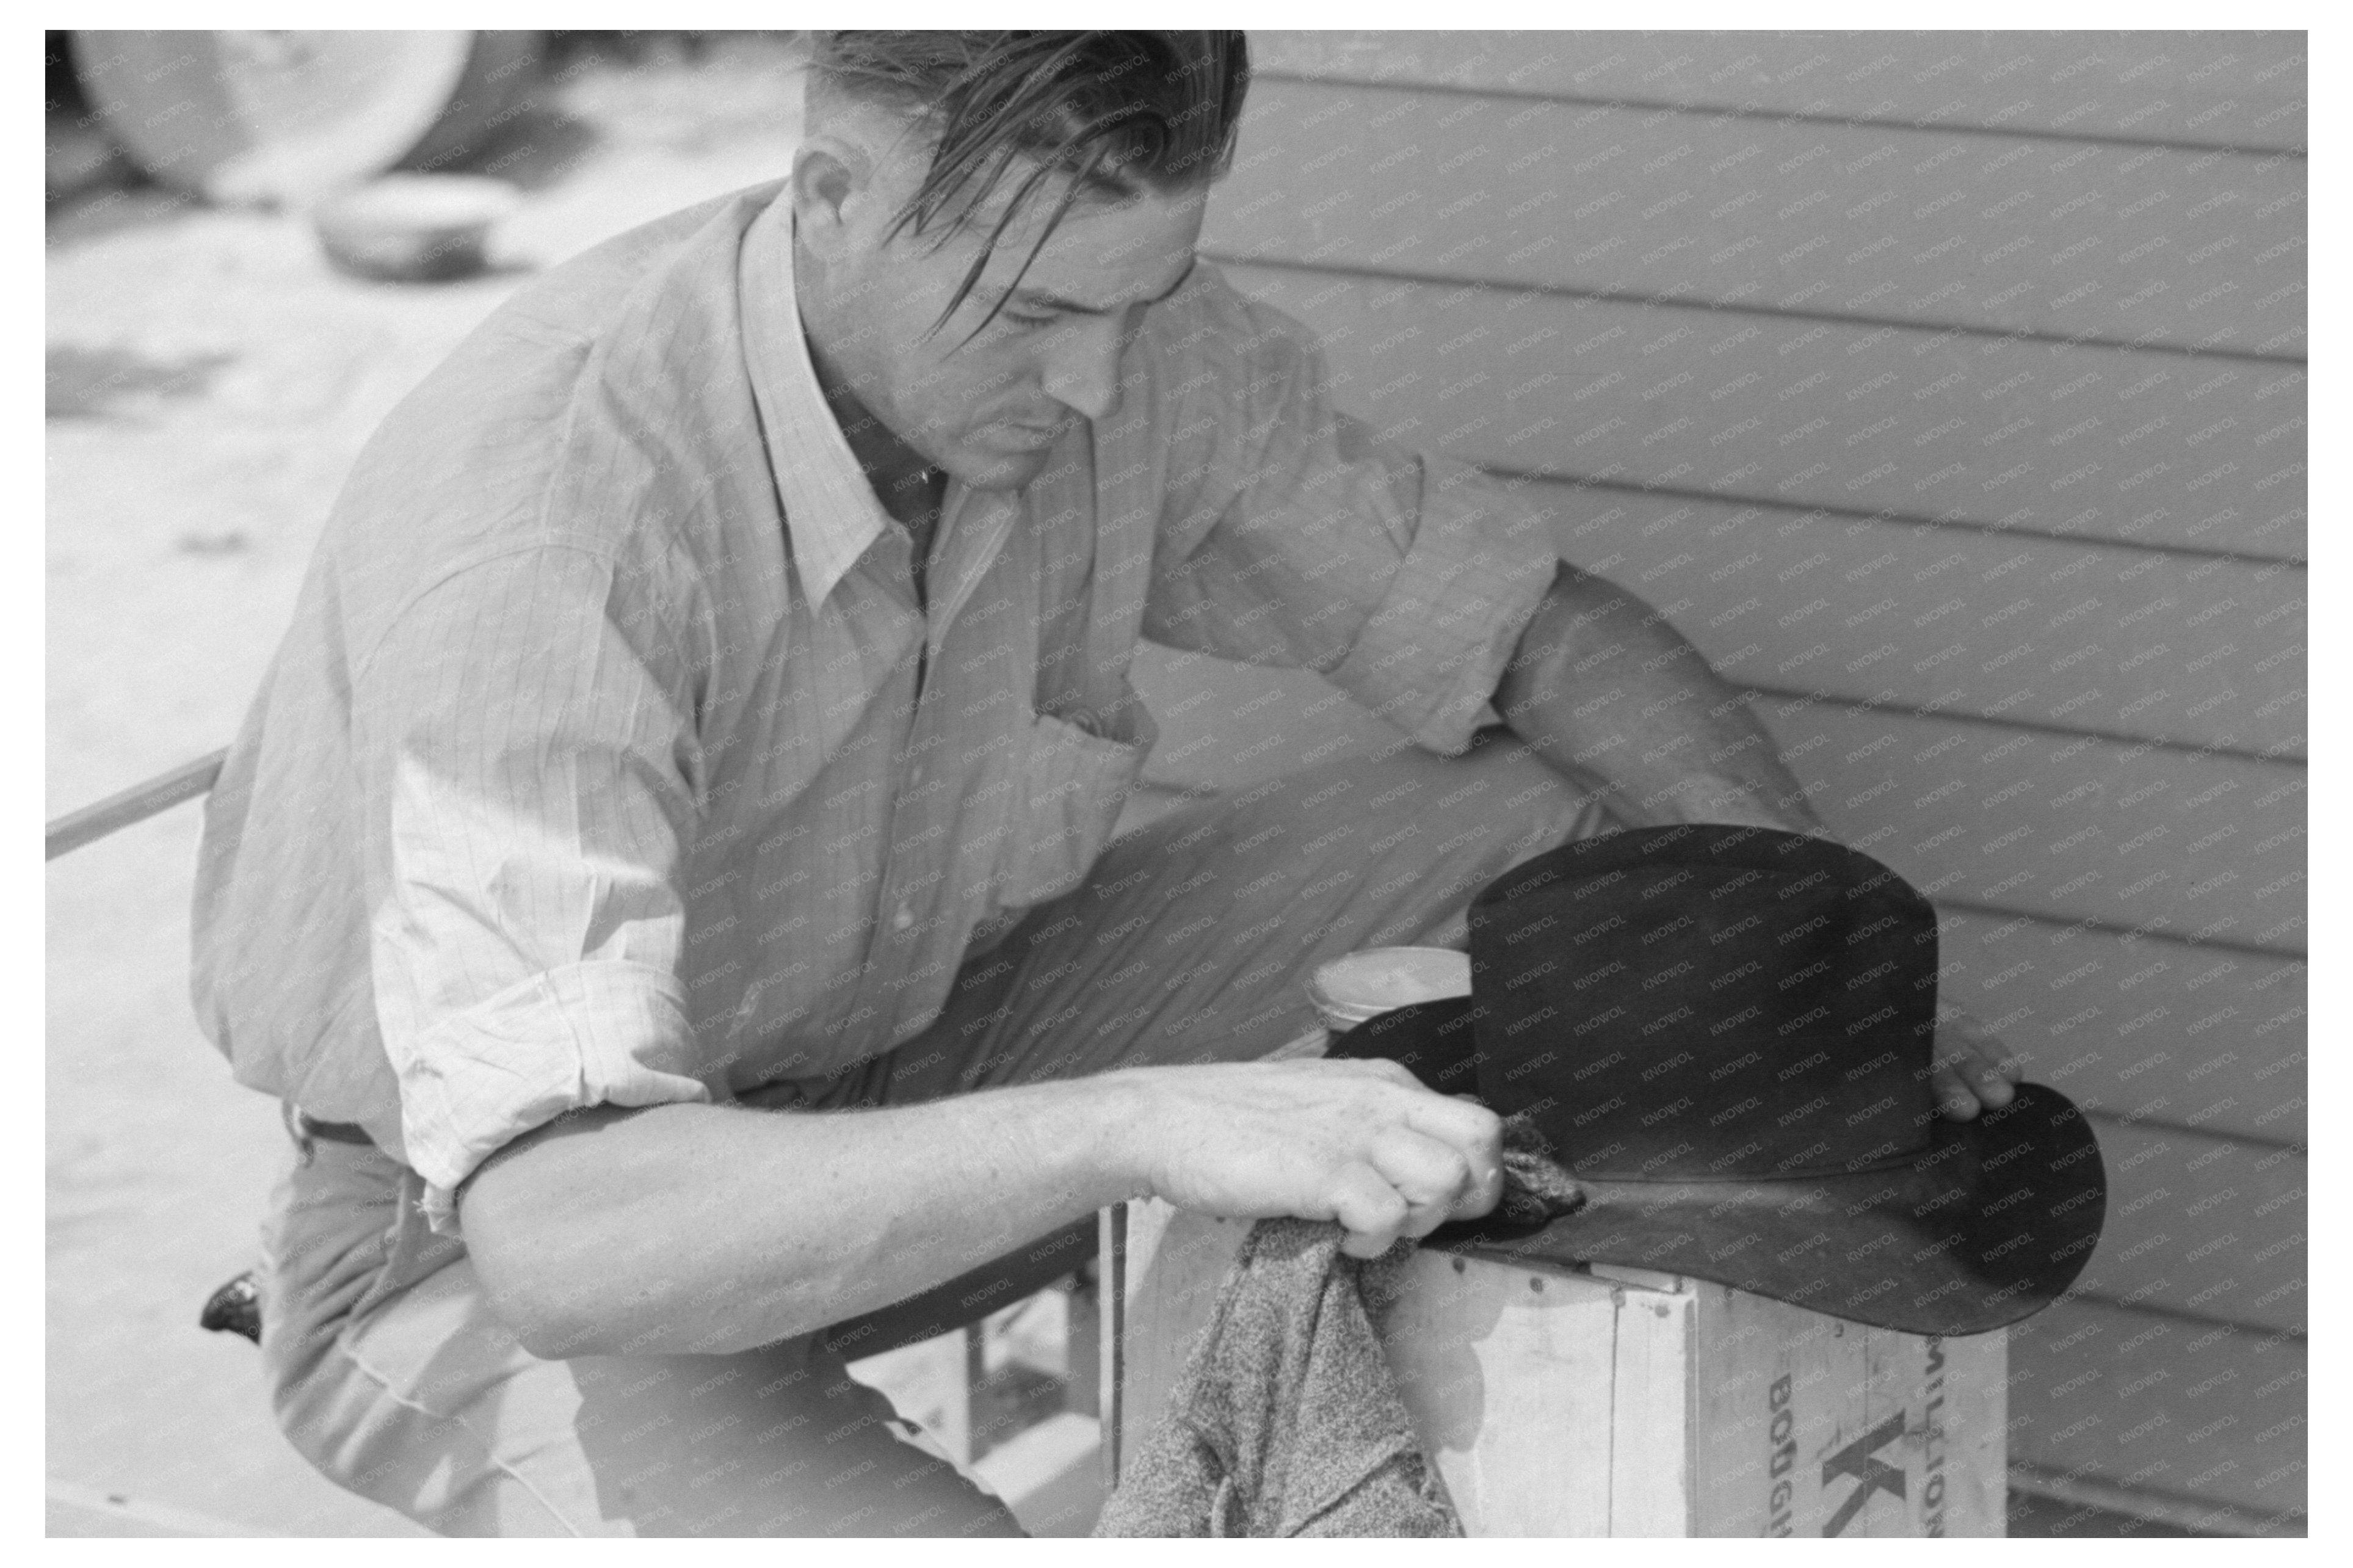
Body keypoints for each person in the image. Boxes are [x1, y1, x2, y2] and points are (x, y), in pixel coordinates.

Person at [190, 31, 2021, 1537]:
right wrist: (1146, 1121)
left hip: (894, 1082)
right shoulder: (540, 519)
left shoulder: (1121, 344)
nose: (1094, 387)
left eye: (1145, 300)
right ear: (833, 198)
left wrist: (1827, 978)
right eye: (1034, 314)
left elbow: (1534, 627)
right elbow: (567, 1236)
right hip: (494, 1250)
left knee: (1556, 798)